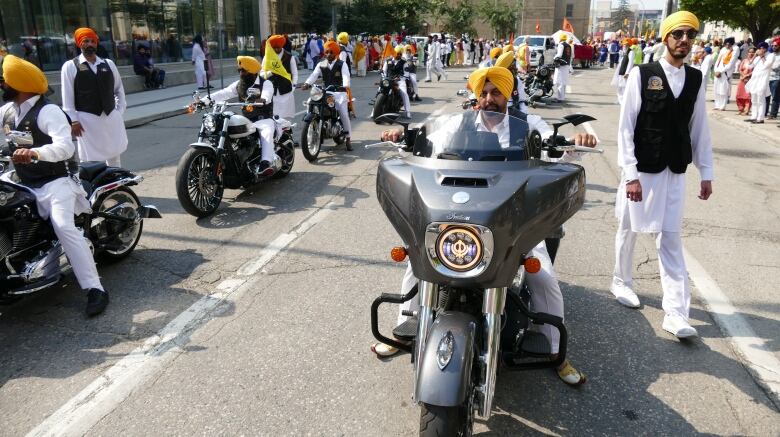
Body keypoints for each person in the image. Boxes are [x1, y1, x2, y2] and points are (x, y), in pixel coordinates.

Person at [372, 66, 598, 386]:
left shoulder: (527, 125)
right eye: (484, 93)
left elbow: (553, 142)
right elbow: (426, 136)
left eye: (496, 93)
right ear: (477, 96)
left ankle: (557, 353)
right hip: (461, 213)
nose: (489, 99)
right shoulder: (457, 123)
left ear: (508, 95)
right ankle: (407, 330)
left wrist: (577, 140)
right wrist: (402, 135)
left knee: (542, 275)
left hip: (510, 219)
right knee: (418, 256)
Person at [611, 11, 713, 339]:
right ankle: (621, 282)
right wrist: (630, 175)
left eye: (690, 35)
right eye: (678, 34)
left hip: (674, 171)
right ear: (666, 37)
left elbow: (699, 129)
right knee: (629, 229)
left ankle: (676, 312)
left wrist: (706, 172)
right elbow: (626, 127)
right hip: (642, 169)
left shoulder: (696, 79)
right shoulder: (643, 74)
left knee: (669, 238)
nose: (685, 40)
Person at [0, 55, 109, 316]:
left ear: (19, 83)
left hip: (55, 181)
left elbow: (65, 146)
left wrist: (36, 153)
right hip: (22, 180)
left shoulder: (47, 111)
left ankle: (95, 289)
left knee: (63, 227)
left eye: (5, 80)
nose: (2, 84)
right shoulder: (8, 111)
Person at [61, 27, 127, 167]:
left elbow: (119, 90)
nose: (90, 44)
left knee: (114, 156)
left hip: (110, 117)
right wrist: (74, 121)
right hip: (87, 121)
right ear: (79, 44)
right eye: (86, 41)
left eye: (93, 41)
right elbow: (67, 98)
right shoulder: (70, 66)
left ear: (96, 43)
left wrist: (119, 112)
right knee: (90, 160)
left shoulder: (108, 64)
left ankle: (117, 186)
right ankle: (93, 187)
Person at [202, 56, 277, 177]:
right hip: (247, 120)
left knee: (266, 133)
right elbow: (224, 93)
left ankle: (266, 162)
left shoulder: (266, 83)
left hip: (263, 119)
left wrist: (260, 99)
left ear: (253, 72)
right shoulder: (239, 84)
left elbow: (267, 97)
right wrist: (203, 100)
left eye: (244, 71)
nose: (241, 73)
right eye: (239, 70)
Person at [301, 40, 353, 151]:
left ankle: (348, 138)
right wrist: (307, 83)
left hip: (339, 92)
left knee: (343, 112)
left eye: (331, 52)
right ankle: (311, 127)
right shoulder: (321, 64)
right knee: (310, 102)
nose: (329, 54)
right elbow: (314, 75)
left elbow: (346, 76)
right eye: (327, 52)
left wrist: (345, 85)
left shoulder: (341, 64)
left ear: (336, 53)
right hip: (325, 91)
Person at [261, 35, 297, 120]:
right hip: (272, 91)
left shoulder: (289, 57)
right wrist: (271, 72)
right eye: (274, 48)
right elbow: (262, 74)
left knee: (285, 118)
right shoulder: (267, 57)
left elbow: (294, 73)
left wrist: (293, 86)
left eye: (278, 47)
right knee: (273, 117)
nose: (276, 50)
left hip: (286, 91)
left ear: (282, 46)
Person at [745, 41, 775, 124]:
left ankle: (760, 118)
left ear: (766, 48)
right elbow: (749, 66)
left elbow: (767, 65)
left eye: (762, 48)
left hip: (763, 80)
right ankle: (754, 116)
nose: (761, 49)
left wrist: (762, 56)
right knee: (754, 99)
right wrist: (755, 55)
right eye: (759, 48)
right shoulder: (757, 57)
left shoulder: (771, 55)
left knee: (760, 99)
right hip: (755, 79)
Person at [383, 45, 412, 119]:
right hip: (388, 79)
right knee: (380, 90)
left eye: (400, 54)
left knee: (404, 93)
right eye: (397, 53)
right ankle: (374, 111)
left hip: (399, 80)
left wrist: (401, 77)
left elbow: (406, 73)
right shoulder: (388, 60)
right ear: (394, 53)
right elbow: (384, 70)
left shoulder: (404, 62)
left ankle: (408, 112)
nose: (398, 55)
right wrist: (383, 75)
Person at [713, 37, 739, 110]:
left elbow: (731, 63)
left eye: (729, 44)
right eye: (726, 44)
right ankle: (717, 105)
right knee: (716, 89)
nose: (727, 46)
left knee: (723, 90)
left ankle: (722, 105)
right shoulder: (723, 49)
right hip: (718, 71)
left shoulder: (734, 50)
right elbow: (718, 60)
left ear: (731, 44)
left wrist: (720, 71)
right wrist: (716, 70)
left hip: (725, 72)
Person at [736, 47, 756, 115]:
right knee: (739, 95)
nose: (751, 53)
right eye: (750, 52)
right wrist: (743, 75)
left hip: (750, 80)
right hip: (742, 79)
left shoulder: (755, 61)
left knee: (748, 96)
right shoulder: (744, 60)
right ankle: (740, 109)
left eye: (753, 52)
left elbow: (754, 71)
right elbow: (740, 69)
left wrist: (747, 76)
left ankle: (746, 110)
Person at [553, 34, 573, 102]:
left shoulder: (561, 45)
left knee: (559, 81)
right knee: (563, 82)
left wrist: (554, 58)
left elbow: (559, 54)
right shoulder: (569, 45)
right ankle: (562, 97)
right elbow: (571, 56)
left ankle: (559, 98)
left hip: (561, 65)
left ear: (560, 38)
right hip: (566, 64)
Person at [769, 38, 780, 120]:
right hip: (769, 78)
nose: (773, 47)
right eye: (772, 45)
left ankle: (773, 114)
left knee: (775, 97)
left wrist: (768, 65)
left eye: (775, 46)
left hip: (777, 78)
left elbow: (776, 67)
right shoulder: (771, 55)